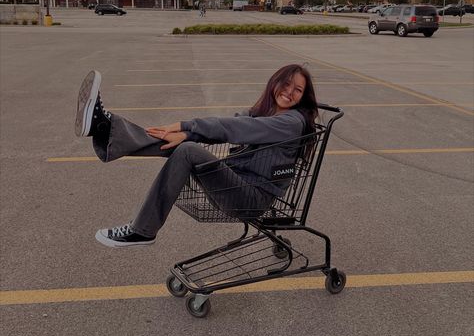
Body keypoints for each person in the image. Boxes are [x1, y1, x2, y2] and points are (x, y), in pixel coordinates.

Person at [75, 64, 318, 248]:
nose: (289, 92)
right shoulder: (260, 113)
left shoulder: (292, 122)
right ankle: (105, 129)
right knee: (179, 141)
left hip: (250, 199)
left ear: (303, 97)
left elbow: (232, 128)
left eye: (297, 90)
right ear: (274, 83)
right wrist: (185, 133)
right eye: (286, 84)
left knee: (187, 148)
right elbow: (228, 129)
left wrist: (185, 125)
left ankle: (142, 230)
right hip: (232, 186)